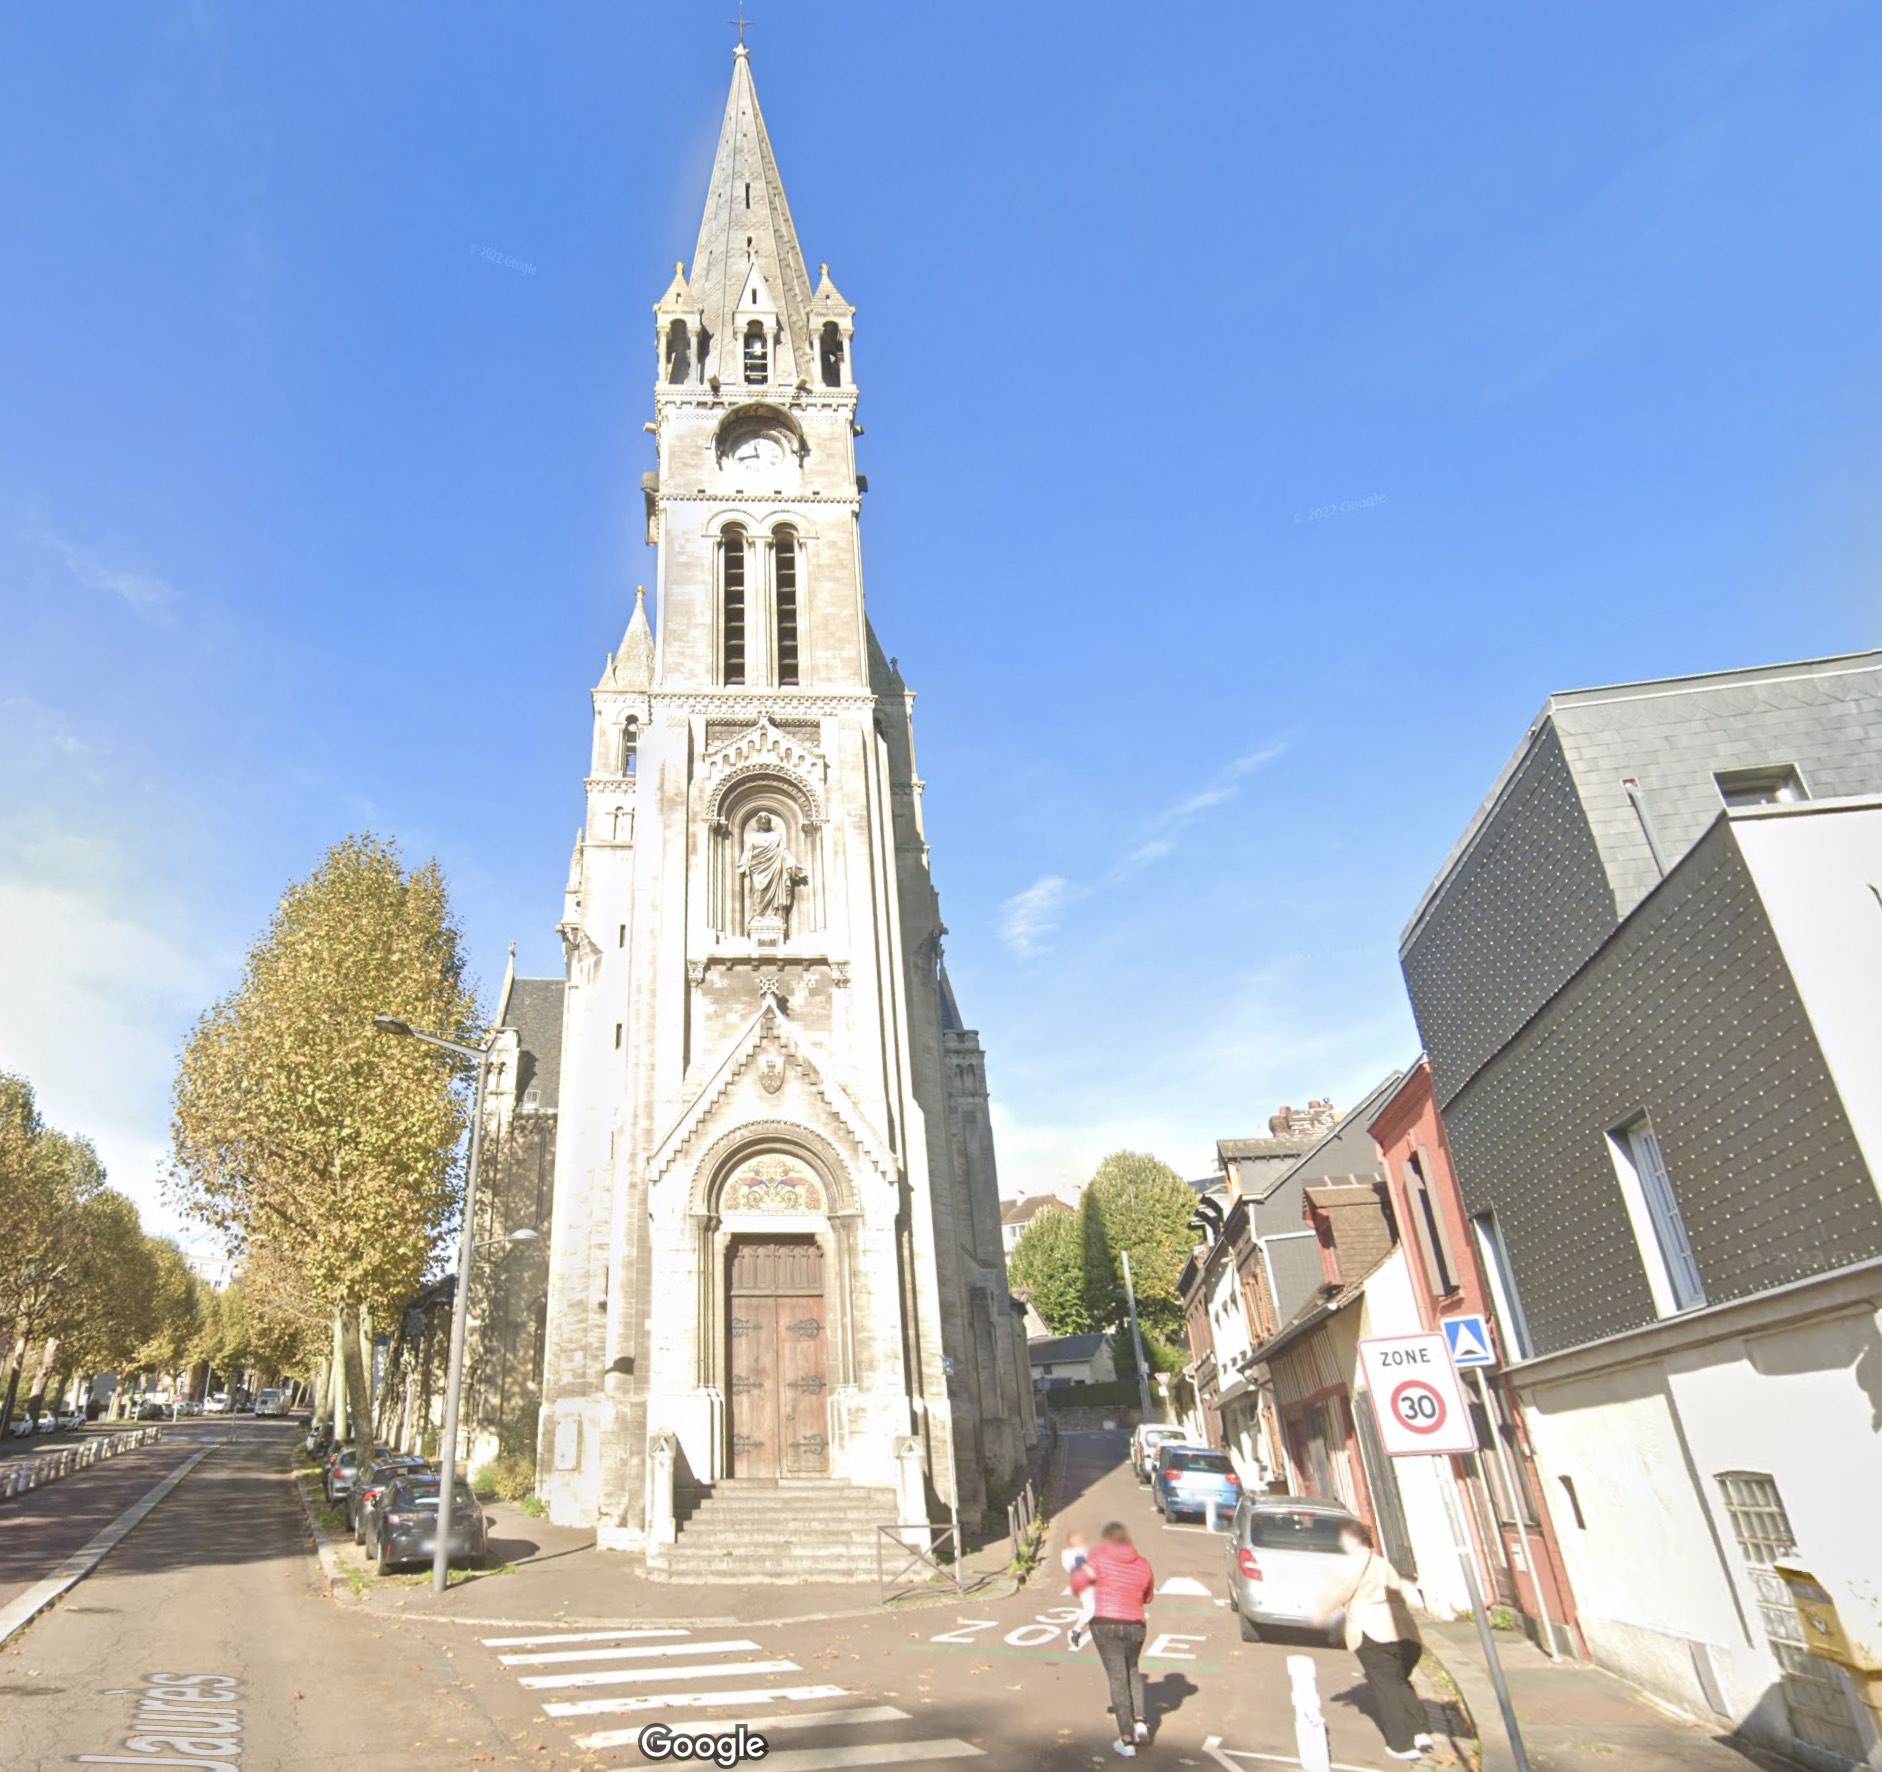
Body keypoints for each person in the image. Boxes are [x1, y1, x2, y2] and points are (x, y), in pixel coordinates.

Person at [1315, 1518, 1433, 1763]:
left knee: (1385, 1687)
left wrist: (1318, 1615)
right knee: (1398, 1680)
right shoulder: (1381, 1562)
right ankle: (1420, 1729)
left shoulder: (1355, 1561)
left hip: (1374, 1630)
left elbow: (1338, 1591)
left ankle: (1401, 1744)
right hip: (1404, 1630)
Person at [1087, 1520, 1155, 1758]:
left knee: (1117, 1678)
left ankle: (1125, 1740)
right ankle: (1139, 1721)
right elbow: (1148, 1597)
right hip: (1135, 1625)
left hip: (1105, 1623)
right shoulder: (1143, 1564)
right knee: (1132, 1669)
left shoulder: (1097, 1559)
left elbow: (1084, 1585)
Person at [1061, 1531, 1096, 1650]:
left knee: (1093, 1607)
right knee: (1091, 1608)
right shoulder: (1077, 1553)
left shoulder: (1068, 1554)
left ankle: (1079, 1629)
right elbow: (1082, 1564)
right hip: (1085, 1585)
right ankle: (1075, 1630)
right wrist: (1093, 1573)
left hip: (1082, 1584)